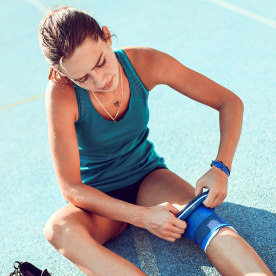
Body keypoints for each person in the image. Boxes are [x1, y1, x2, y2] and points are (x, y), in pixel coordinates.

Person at [38, 6, 273, 276]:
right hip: (100, 200)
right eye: (82, 78)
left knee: (204, 222)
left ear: (106, 36)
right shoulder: (60, 94)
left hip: (148, 178)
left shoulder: (143, 63)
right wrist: (142, 217)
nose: (100, 80)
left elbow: (229, 101)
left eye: (100, 62)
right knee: (57, 229)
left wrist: (221, 167)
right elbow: (71, 188)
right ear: (67, 76)